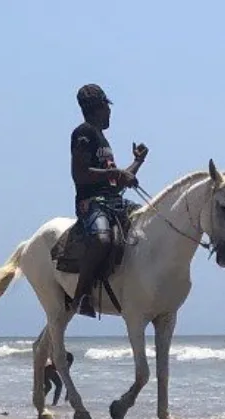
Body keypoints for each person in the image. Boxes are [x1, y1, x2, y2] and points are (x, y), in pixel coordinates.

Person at [70, 84, 148, 316]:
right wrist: (116, 174)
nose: (109, 113)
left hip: (114, 201)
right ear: (97, 108)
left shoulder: (103, 139)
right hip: (91, 202)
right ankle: (82, 296)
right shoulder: (83, 133)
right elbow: (80, 174)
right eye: (107, 107)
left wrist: (137, 162)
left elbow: (119, 180)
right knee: (102, 240)